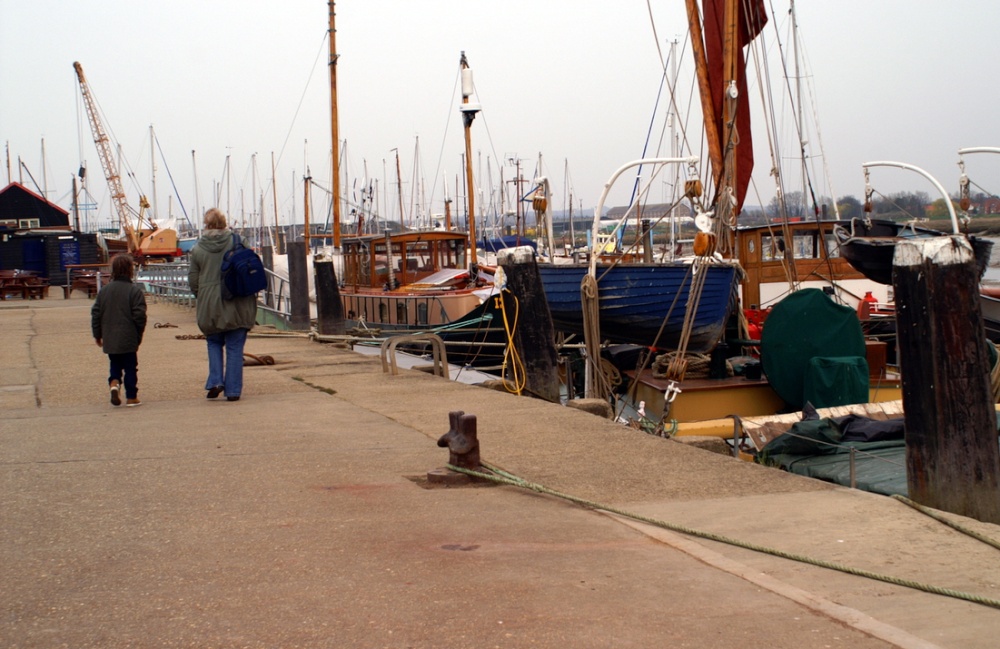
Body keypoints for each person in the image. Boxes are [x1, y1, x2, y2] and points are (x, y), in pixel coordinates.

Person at [188, 208, 257, 401]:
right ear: (224, 223)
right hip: (237, 300)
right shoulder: (238, 242)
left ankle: (216, 380)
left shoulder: (198, 248)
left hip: (210, 302)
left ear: (206, 225)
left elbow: (193, 279)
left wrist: (201, 296)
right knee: (235, 346)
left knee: (214, 341)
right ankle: (233, 391)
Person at [91, 253, 147, 407]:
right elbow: (139, 315)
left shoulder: (104, 291)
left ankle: (114, 383)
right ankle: (131, 397)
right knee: (130, 367)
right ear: (130, 270)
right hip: (128, 335)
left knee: (114, 363)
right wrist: (138, 334)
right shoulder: (134, 291)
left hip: (110, 336)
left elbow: (96, 313)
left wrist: (97, 334)